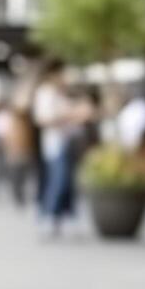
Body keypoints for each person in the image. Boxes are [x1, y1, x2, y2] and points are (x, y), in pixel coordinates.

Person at [33, 62, 84, 234]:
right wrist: (70, 115)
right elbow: (43, 119)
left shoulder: (61, 94)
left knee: (66, 182)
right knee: (58, 181)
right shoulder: (46, 93)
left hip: (67, 142)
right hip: (55, 145)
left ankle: (61, 217)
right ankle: (47, 215)